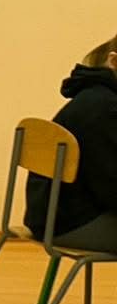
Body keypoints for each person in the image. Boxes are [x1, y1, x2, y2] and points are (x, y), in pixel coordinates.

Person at [25, 34, 117, 251]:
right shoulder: (105, 108)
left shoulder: (94, 96)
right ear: (113, 61)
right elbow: (111, 188)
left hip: (53, 216)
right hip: (73, 222)